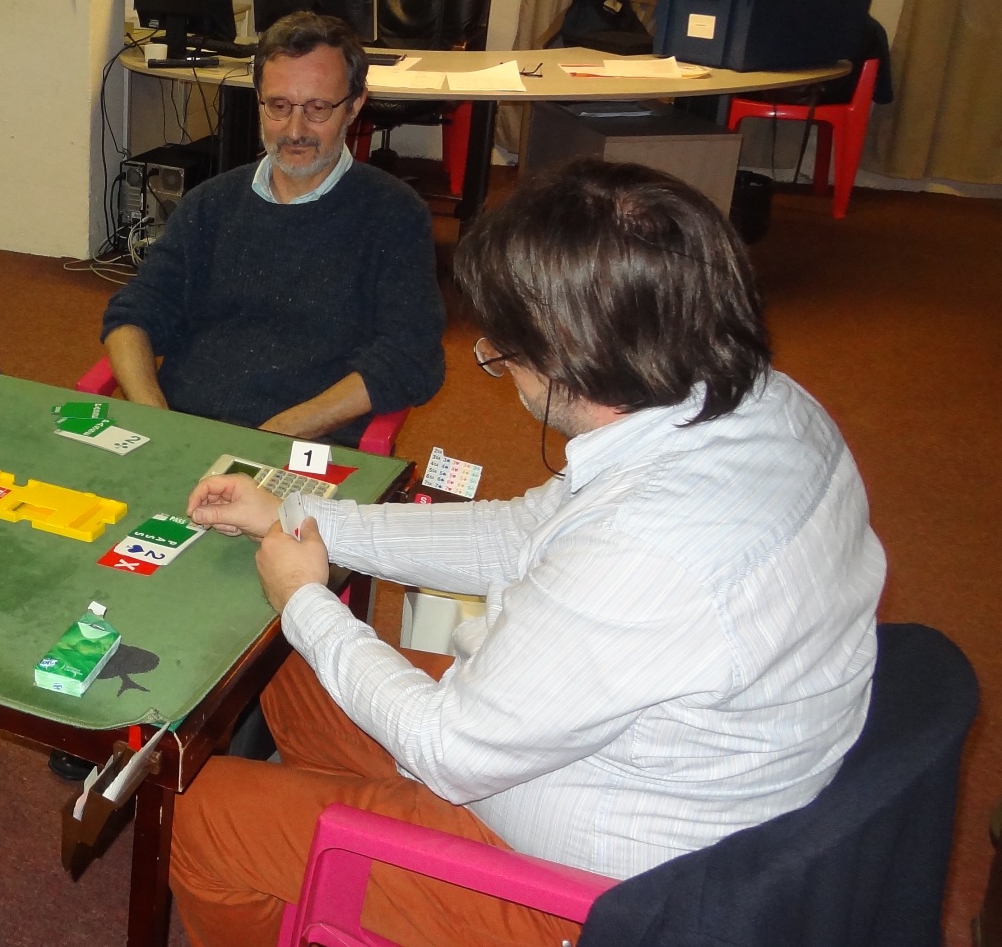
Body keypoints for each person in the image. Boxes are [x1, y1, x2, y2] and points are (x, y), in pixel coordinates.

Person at [171, 159, 886, 947]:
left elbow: (448, 748)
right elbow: (518, 535)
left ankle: (340, 861)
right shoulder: (753, 398)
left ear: (569, 356)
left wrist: (307, 602)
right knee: (293, 679)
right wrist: (302, 516)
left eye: (503, 349)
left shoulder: (646, 547)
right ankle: (337, 881)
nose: (496, 361)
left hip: (600, 897)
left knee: (202, 816)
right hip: (648, 772)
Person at [100, 12, 444, 446]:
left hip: (302, 444)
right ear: (259, 100)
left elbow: (410, 355)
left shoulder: (394, 214)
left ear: (355, 104)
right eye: (278, 107)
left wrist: (273, 436)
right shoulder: (211, 203)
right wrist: (157, 420)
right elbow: (134, 314)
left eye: (318, 108)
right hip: (183, 431)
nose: (295, 131)